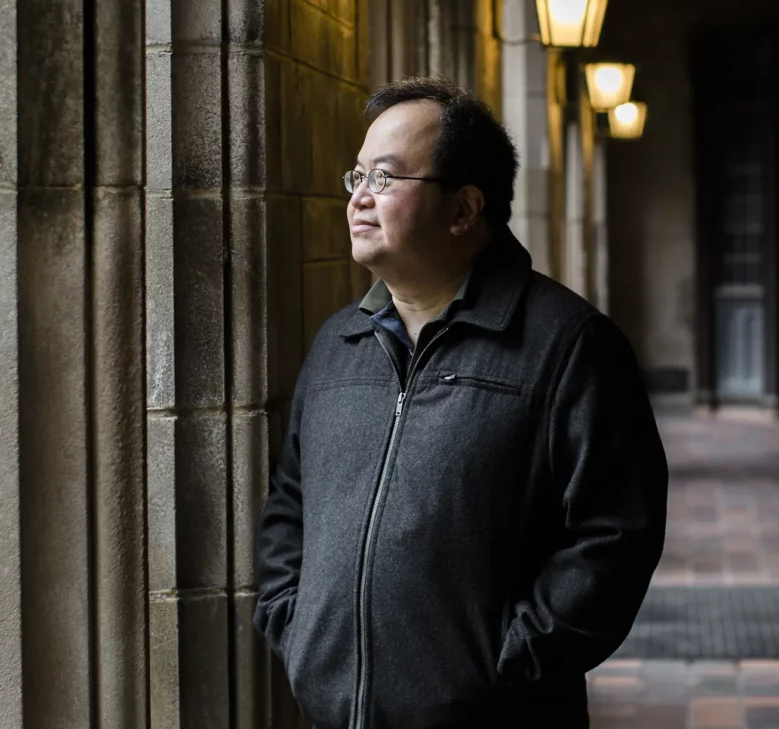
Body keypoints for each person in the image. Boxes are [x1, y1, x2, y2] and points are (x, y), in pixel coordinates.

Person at [253, 76, 667, 729]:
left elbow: (614, 535)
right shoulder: (339, 343)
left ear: (464, 208)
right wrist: (295, 624)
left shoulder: (566, 344)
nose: (359, 198)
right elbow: (289, 505)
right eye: (356, 176)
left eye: (385, 179)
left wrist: (506, 667)